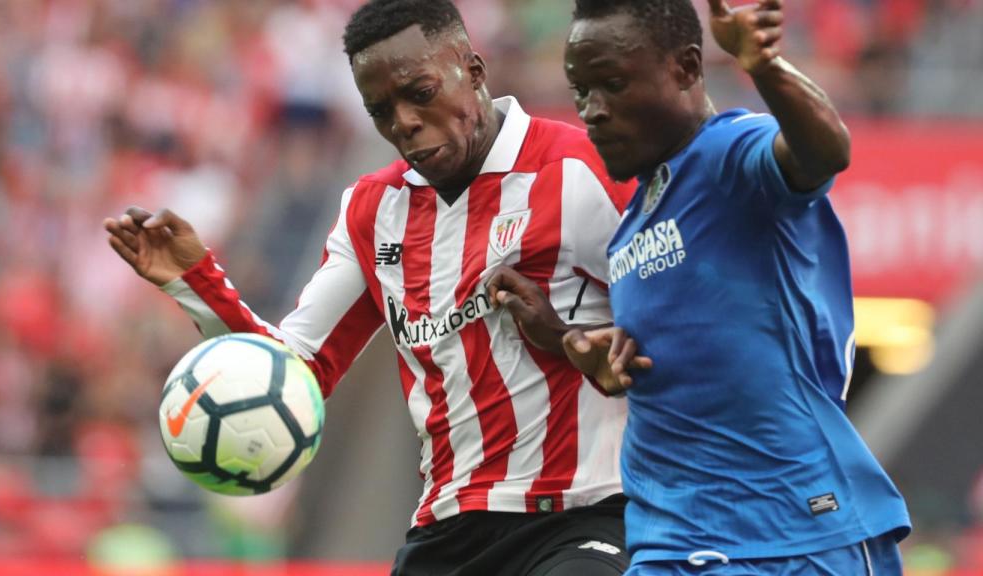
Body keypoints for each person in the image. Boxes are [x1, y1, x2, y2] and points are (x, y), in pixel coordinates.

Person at [104, 1, 638, 574]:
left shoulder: (584, 169)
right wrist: (193, 281)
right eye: (381, 110)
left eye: (421, 92)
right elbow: (291, 377)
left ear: (474, 70)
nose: (404, 122)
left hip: (583, 517)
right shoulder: (374, 210)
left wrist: (573, 341)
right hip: (447, 530)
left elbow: (688, 324)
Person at [494, 0, 912, 573]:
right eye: (581, 91)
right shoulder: (631, 231)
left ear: (687, 69)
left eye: (612, 84)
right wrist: (573, 341)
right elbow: (679, 353)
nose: (593, 111)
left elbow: (824, 153)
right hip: (676, 540)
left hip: (792, 536)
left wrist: (764, 66)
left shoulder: (728, 153)